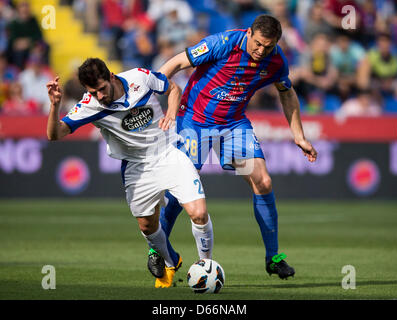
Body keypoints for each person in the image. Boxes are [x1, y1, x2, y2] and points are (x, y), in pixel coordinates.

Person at [150, 14, 318, 280]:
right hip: (193, 121)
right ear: (249, 33)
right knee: (180, 192)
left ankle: (273, 258)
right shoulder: (223, 42)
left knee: (262, 181)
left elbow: (286, 92)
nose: (262, 51)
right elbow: (177, 62)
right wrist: (151, 92)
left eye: (269, 46)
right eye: (259, 44)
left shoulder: (275, 61)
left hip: (233, 126)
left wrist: (298, 135)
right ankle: (157, 252)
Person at [46, 58, 214, 288]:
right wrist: (55, 105)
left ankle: (207, 267)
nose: (100, 97)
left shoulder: (140, 77)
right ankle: (170, 261)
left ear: (112, 76)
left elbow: (173, 88)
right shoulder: (90, 105)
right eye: (93, 92)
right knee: (147, 226)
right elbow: (55, 135)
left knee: (199, 213)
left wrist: (172, 113)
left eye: (102, 89)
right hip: (136, 166)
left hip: (167, 152)